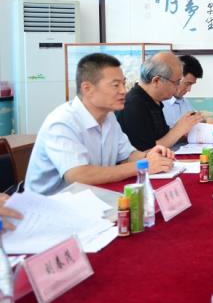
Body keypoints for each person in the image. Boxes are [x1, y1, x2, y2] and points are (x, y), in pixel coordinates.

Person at [25, 53, 175, 196]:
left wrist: (150, 156)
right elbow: (78, 175)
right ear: (87, 89)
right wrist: (143, 165)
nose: (123, 91)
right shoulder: (62, 122)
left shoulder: (109, 117)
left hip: (92, 197)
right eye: (115, 85)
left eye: (123, 83)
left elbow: (128, 155)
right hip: (50, 205)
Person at [116, 52, 203, 151]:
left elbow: (161, 138)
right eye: (176, 82)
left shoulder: (155, 102)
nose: (178, 87)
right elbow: (144, 151)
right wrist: (179, 129)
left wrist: (184, 130)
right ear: (156, 81)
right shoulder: (133, 105)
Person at [163, 54, 208, 127]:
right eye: (187, 84)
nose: (189, 90)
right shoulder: (158, 104)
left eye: (191, 84)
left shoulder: (185, 103)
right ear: (175, 77)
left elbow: (199, 121)